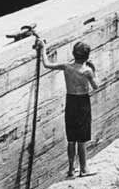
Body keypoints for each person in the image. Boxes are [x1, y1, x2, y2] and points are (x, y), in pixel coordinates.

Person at [35, 39, 99, 178]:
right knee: (81, 140)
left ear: (73, 54)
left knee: (71, 139)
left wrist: (43, 48)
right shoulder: (87, 71)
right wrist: (94, 70)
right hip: (82, 103)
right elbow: (96, 86)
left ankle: (71, 169)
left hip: (70, 102)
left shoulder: (66, 67)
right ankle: (83, 169)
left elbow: (46, 64)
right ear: (87, 57)